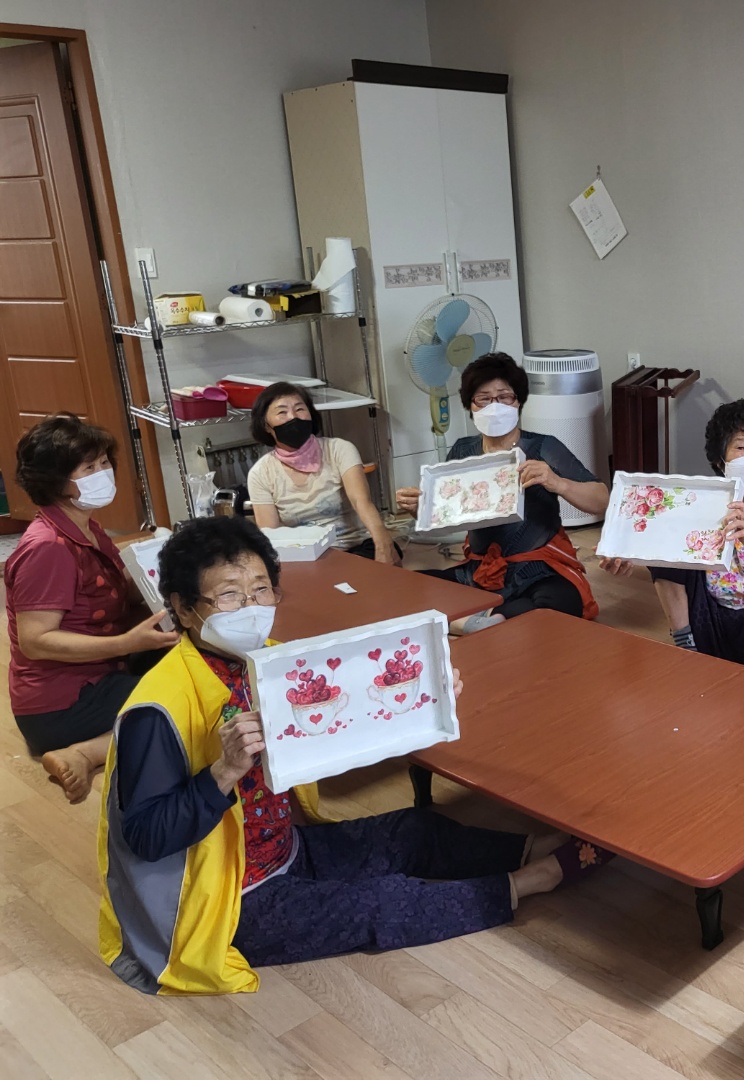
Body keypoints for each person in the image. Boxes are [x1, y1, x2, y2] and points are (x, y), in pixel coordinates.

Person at [96, 516, 612, 995]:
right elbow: (146, 838)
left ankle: (529, 847)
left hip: (284, 849)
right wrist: (224, 771)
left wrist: (427, 697)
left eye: (261, 590)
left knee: (413, 830)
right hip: (224, 900)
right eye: (230, 595)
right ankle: (529, 881)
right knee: (381, 902)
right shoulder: (158, 708)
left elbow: (353, 722)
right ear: (184, 608)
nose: (252, 607)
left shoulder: (270, 660)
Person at [4, 414, 178, 803]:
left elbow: (114, 591)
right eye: (89, 468)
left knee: (197, 659)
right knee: (189, 695)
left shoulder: (86, 526)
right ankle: (85, 752)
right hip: (63, 704)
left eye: (104, 463)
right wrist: (128, 643)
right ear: (56, 481)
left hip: (103, 671)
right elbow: (36, 641)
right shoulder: (48, 548)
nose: (103, 474)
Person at [601, 399, 744, 672]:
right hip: (709, 628)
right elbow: (651, 538)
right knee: (670, 545)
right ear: (721, 462)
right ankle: (685, 643)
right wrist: (625, 554)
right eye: (741, 447)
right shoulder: (703, 497)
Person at [396, 353, 610, 632]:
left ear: (518, 401)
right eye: (483, 399)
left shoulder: (543, 447)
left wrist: (558, 482)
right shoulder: (463, 450)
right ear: (470, 406)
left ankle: (474, 620)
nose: (494, 406)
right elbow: (448, 515)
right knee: (408, 587)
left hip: (538, 568)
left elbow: (601, 500)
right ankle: (489, 620)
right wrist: (422, 510)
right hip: (478, 570)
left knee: (558, 602)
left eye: (504, 397)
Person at [247, 382, 397, 563]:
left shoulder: (339, 449)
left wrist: (383, 543)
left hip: (357, 545)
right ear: (265, 425)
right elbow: (271, 535)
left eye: (300, 409)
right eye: (282, 412)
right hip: (306, 556)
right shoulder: (261, 473)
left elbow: (361, 501)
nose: (293, 417)